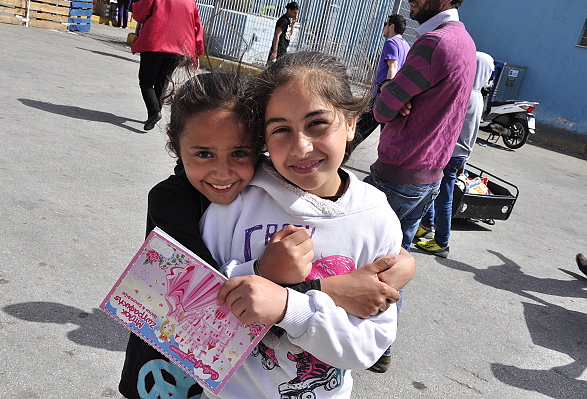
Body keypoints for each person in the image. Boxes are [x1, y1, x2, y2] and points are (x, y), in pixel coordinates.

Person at [119, 69, 415, 398]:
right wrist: (317, 287)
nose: (222, 173)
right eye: (203, 153)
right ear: (176, 144)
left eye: (240, 153)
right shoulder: (181, 202)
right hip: (167, 377)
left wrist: (402, 260)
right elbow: (186, 304)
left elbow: (369, 338)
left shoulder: (366, 213)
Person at [200, 51, 406, 399]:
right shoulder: (235, 202)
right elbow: (191, 311)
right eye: (281, 129)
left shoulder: (376, 218)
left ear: (352, 122)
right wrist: (263, 272)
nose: (301, 146)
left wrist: (288, 307)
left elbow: (368, 346)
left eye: (318, 123)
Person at [364, 0, 476, 251]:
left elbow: (382, 110)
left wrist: (387, 92)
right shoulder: (465, 41)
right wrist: (397, 96)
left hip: (399, 174)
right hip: (429, 174)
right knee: (394, 263)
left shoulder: (434, 42)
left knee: (361, 259)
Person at [415, 52, 495, 258]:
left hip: (449, 152)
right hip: (459, 153)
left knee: (442, 197)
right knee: (435, 190)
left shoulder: (466, 95)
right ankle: (427, 225)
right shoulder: (478, 97)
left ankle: (442, 242)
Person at [131, 0, 204, 131]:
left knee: (146, 80)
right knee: (163, 80)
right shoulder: (190, 2)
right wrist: (197, 53)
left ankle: (154, 112)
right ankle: (155, 111)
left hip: (154, 42)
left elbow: (139, 14)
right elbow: (197, 27)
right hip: (179, 46)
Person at [355, 14, 410, 147]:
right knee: (386, 138)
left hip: (381, 97)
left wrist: (387, 92)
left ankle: (337, 159)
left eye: (385, 24)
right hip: (394, 99)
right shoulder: (406, 46)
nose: (383, 27)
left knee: (358, 132)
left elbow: (393, 66)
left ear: (392, 26)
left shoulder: (391, 42)